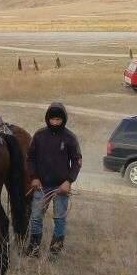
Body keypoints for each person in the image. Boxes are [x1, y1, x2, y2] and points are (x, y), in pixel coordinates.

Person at [25, 102, 82, 257]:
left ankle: (55, 250)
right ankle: (34, 248)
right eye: (52, 119)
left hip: (60, 188)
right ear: (47, 119)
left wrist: (68, 181)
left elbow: (77, 162)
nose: (55, 122)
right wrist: (34, 177)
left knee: (59, 219)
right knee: (36, 217)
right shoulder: (39, 135)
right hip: (41, 185)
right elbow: (30, 158)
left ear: (63, 120)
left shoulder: (70, 138)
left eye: (58, 119)